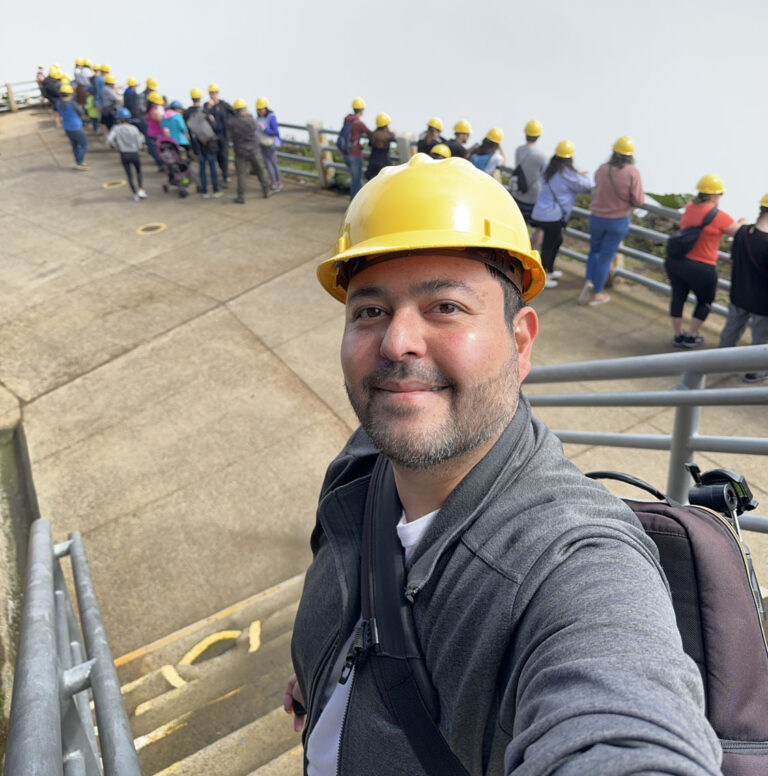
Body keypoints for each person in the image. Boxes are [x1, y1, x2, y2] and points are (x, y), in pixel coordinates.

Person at [283, 154, 722, 776]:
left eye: (446, 307)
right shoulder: (366, 458)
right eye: (369, 310)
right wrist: (323, 673)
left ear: (520, 343)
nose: (396, 341)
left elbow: (621, 719)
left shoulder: (571, 560)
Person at [665, 174, 746, 348]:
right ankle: (692, 336)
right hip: (702, 267)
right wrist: (742, 222)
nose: (720, 198)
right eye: (719, 195)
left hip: (678, 263)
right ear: (712, 196)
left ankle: (678, 335)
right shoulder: (718, 216)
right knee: (705, 301)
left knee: (678, 297)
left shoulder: (689, 207)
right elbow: (740, 233)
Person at [579, 136, 644, 307]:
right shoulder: (632, 172)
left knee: (594, 252)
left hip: (597, 218)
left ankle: (589, 281)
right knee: (606, 257)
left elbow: (597, 186)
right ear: (630, 155)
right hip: (618, 220)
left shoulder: (602, 169)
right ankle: (596, 294)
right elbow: (638, 200)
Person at [718, 192, 768, 381]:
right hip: (762, 302)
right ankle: (753, 373)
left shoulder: (743, 233)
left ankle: (718, 362)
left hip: (739, 293)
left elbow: (734, 258)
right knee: (760, 339)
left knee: (730, 331)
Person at [531, 140, 592, 287]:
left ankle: (549, 271)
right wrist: (581, 175)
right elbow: (587, 186)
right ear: (570, 158)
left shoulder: (548, 168)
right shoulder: (568, 174)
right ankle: (543, 278)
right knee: (549, 245)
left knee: (556, 241)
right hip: (553, 216)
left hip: (540, 212)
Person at [510, 120, 546, 250]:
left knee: (519, 224)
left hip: (518, 193)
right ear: (539, 135)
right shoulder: (541, 156)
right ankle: (529, 250)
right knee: (539, 228)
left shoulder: (519, 150)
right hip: (533, 197)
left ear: (526, 133)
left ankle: (516, 248)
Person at [228, 99, 271, 203]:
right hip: (254, 150)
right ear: (244, 110)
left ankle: (241, 197)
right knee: (261, 171)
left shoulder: (232, 122)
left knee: (241, 175)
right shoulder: (251, 119)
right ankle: (266, 191)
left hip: (240, 152)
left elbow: (229, 135)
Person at [107, 108, 147, 201]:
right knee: (138, 172)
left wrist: (115, 145)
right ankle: (141, 189)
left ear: (119, 119)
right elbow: (140, 140)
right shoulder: (134, 128)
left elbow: (109, 139)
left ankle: (135, 193)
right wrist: (140, 147)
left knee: (129, 174)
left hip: (124, 154)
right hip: (135, 153)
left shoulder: (116, 128)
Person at [187, 102, 221, 198]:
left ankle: (204, 191)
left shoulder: (193, 120)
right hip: (211, 147)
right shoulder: (207, 117)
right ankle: (215, 190)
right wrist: (213, 121)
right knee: (213, 169)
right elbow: (215, 129)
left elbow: (193, 136)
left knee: (202, 170)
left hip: (201, 148)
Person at [341, 98, 371, 199]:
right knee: (356, 180)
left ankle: (365, 198)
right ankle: (354, 203)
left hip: (345, 154)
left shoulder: (347, 120)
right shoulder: (359, 124)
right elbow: (370, 134)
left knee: (356, 180)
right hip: (355, 155)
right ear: (362, 110)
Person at [57, 83, 88, 169]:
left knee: (74, 145)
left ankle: (78, 161)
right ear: (70, 94)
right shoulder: (72, 104)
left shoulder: (58, 104)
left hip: (67, 128)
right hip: (76, 127)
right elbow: (81, 112)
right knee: (84, 145)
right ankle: (79, 162)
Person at [206, 83, 232, 186]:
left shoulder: (224, 105)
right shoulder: (207, 105)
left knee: (224, 156)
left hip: (223, 136)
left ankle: (225, 176)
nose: (213, 95)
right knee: (217, 157)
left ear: (218, 93)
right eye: (211, 93)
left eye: (215, 93)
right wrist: (208, 108)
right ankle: (220, 174)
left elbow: (233, 112)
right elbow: (202, 116)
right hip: (212, 137)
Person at [255, 97, 282, 191]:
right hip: (262, 144)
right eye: (258, 110)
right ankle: (273, 182)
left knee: (273, 163)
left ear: (265, 108)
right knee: (267, 164)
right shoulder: (258, 117)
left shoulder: (271, 117)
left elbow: (275, 132)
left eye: (261, 109)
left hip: (270, 144)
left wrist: (264, 129)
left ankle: (277, 183)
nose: (260, 111)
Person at [365, 112, 396, 180]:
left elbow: (370, 143)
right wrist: (393, 134)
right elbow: (392, 137)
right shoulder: (388, 136)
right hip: (384, 163)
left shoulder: (372, 135)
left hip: (373, 163)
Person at [146, 91, 167, 170]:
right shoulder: (155, 112)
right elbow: (161, 122)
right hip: (157, 134)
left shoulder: (150, 110)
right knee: (160, 151)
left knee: (157, 150)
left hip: (152, 133)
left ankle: (161, 166)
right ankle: (162, 166)